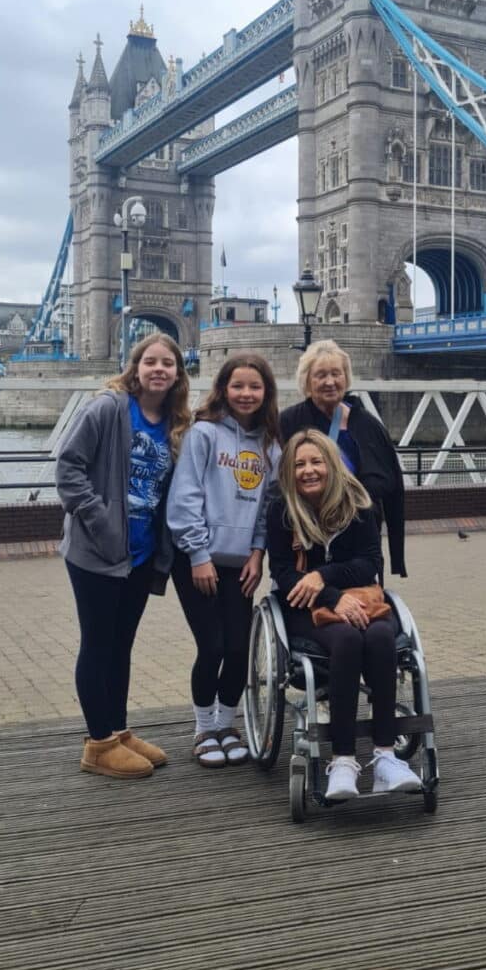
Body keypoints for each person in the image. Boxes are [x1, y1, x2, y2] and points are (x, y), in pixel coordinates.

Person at [56, 332, 191, 779]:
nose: (158, 369)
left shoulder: (175, 422)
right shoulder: (108, 408)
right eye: (150, 361)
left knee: (121, 645)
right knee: (97, 644)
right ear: (135, 368)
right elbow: (68, 468)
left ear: (177, 373)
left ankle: (118, 730)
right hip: (97, 551)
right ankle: (98, 744)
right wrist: (99, 520)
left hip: (141, 553)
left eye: (167, 363)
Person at [267, 428, 421, 801]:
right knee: (348, 641)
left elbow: (370, 563)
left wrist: (323, 576)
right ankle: (343, 760)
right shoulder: (281, 511)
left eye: (316, 461)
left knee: (383, 637)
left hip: (360, 597)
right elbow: (285, 575)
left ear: (331, 464)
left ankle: (386, 757)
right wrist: (331, 596)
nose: (309, 470)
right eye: (300, 464)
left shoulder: (358, 505)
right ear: (289, 470)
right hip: (306, 608)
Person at [167, 353, 281, 768]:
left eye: (255, 386)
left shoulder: (271, 442)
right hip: (197, 560)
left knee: (237, 649)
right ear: (223, 389)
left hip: (241, 563)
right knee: (211, 645)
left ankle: (227, 725)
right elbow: (186, 497)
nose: (246, 394)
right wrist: (197, 553)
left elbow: (269, 504)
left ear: (266, 391)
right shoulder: (204, 434)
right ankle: (203, 730)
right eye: (238, 386)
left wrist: (258, 553)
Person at [280, 339, 407, 577]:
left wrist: (396, 555)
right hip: (308, 538)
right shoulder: (289, 422)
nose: (330, 382)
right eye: (320, 375)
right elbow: (279, 481)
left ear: (346, 378)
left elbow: (391, 484)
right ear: (307, 381)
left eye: (336, 373)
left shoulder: (369, 425)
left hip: (359, 538)